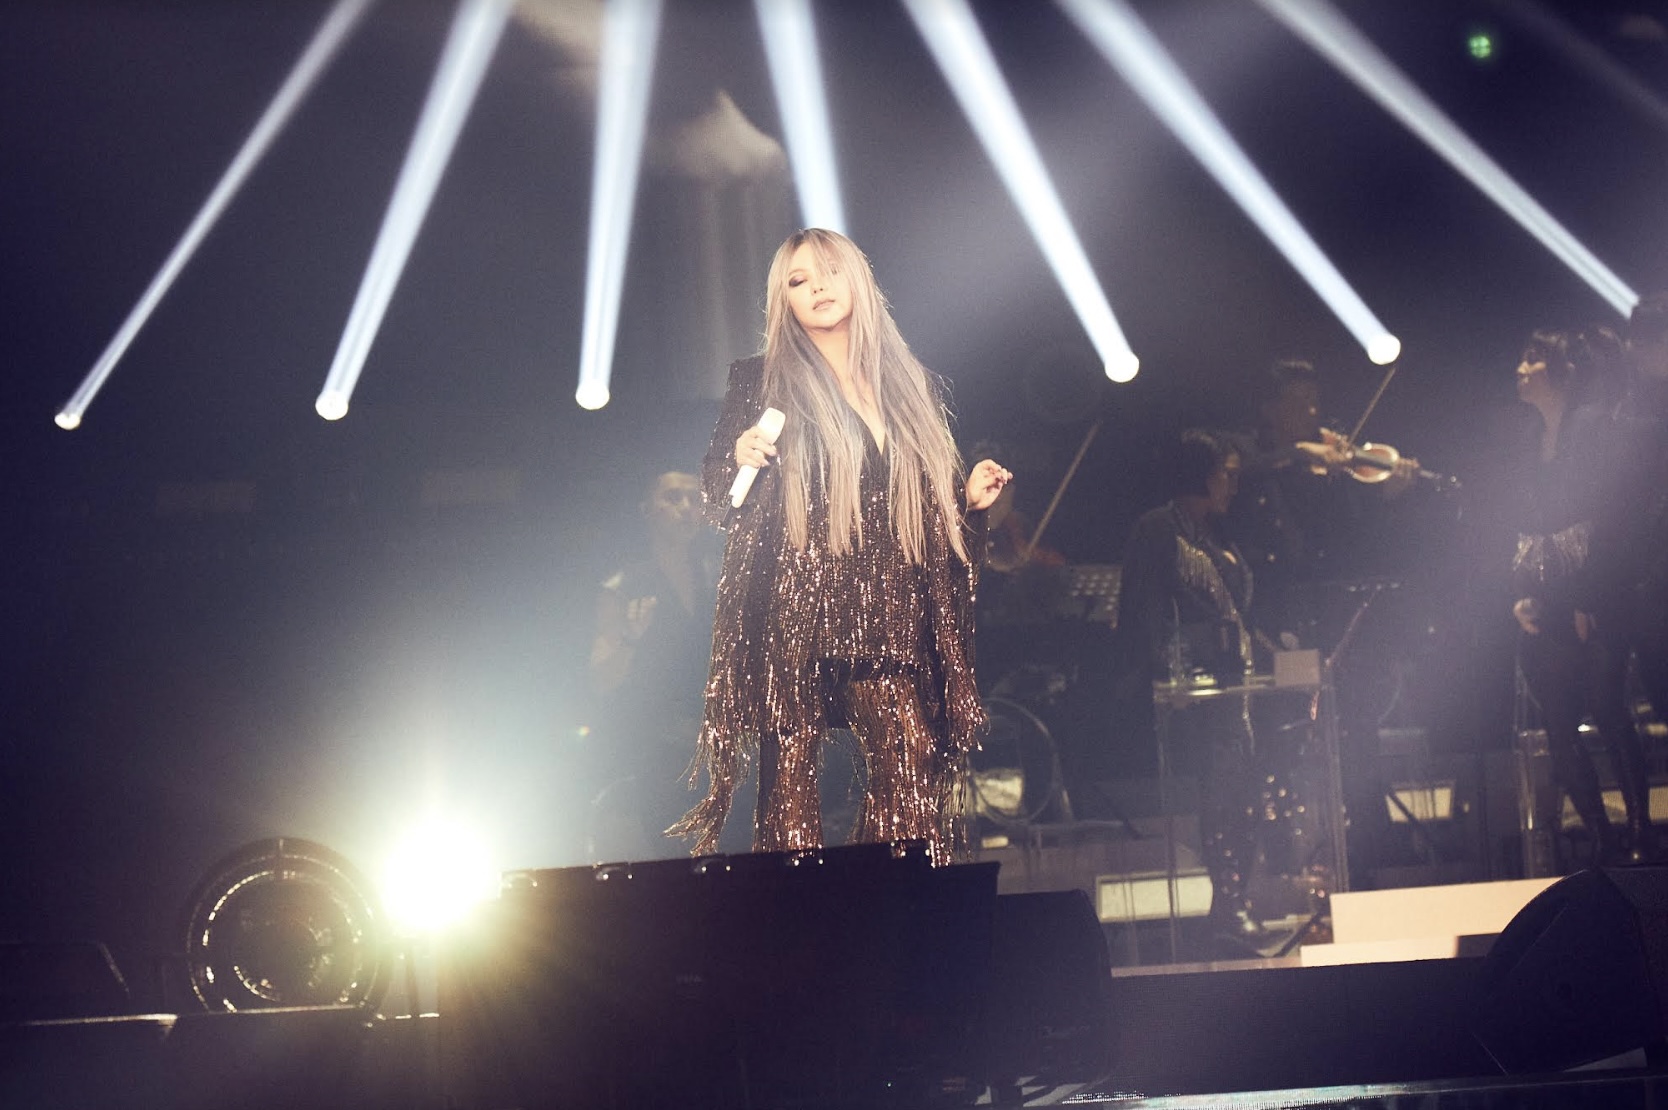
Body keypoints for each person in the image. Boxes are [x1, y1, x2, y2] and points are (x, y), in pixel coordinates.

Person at [670, 228, 1011, 862]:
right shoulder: (761, 380)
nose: (817, 288)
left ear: (858, 279)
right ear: (784, 301)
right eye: (798, 281)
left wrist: (963, 503)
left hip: (885, 607)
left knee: (909, 755)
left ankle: (876, 904)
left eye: (828, 272)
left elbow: (913, 510)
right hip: (795, 605)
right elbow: (718, 495)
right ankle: (798, 916)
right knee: (790, 781)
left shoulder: (910, 383)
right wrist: (740, 456)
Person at [1112, 430, 1267, 937]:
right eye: (1226, 474)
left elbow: (1237, 611)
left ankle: (1234, 899)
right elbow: (1143, 611)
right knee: (1218, 793)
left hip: (1234, 688)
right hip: (1190, 694)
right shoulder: (1158, 529)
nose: (1233, 486)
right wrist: (1169, 667)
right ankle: (1227, 901)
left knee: (1242, 792)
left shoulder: (1216, 532)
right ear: (1202, 475)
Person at [1508, 327, 1650, 865]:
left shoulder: (1591, 427)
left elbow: (1614, 513)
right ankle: (1602, 839)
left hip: (1599, 589)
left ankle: (1640, 832)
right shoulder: (1527, 438)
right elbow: (1523, 523)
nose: (1521, 369)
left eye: (1533, 359)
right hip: (1550, 595)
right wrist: (1522, 592)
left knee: (1608, 706)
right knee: (1558, 725)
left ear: (1564, 370)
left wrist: (1588, 596)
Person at [587, 470, 721, 860]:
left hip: (718, 749)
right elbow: (601, 679)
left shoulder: (717, 573)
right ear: (647, 510)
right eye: (673, 498)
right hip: (656, 755)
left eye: (694, 499)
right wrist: (631, 638)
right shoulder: (623, 586)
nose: (686, 508)